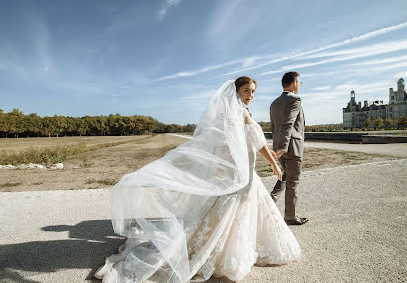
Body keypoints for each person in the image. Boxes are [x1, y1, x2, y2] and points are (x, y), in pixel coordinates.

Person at [95, 76, 301, 282]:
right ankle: (218, 249)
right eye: (247, 91)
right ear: (237, 90)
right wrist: (273, 163)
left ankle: (237, 244)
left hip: (245, 170)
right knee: (234, 206)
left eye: (253, 91)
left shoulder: (232, 111)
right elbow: (257, 142)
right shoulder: (240, 112)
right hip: (244, 172)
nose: (251, 96)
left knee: (242, 207)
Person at [270, 71, 308, 226]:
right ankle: (290, 217)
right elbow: (288, 124)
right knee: (293, 181)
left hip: (280, 146)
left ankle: (268, 203)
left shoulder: (274, 102)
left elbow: (274, 127)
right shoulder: (295, 99)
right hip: (291, 148)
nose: (299, 85)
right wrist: (284, 147)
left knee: (284, 177)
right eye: (299, 82)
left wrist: (278, 147)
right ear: (294, 83)